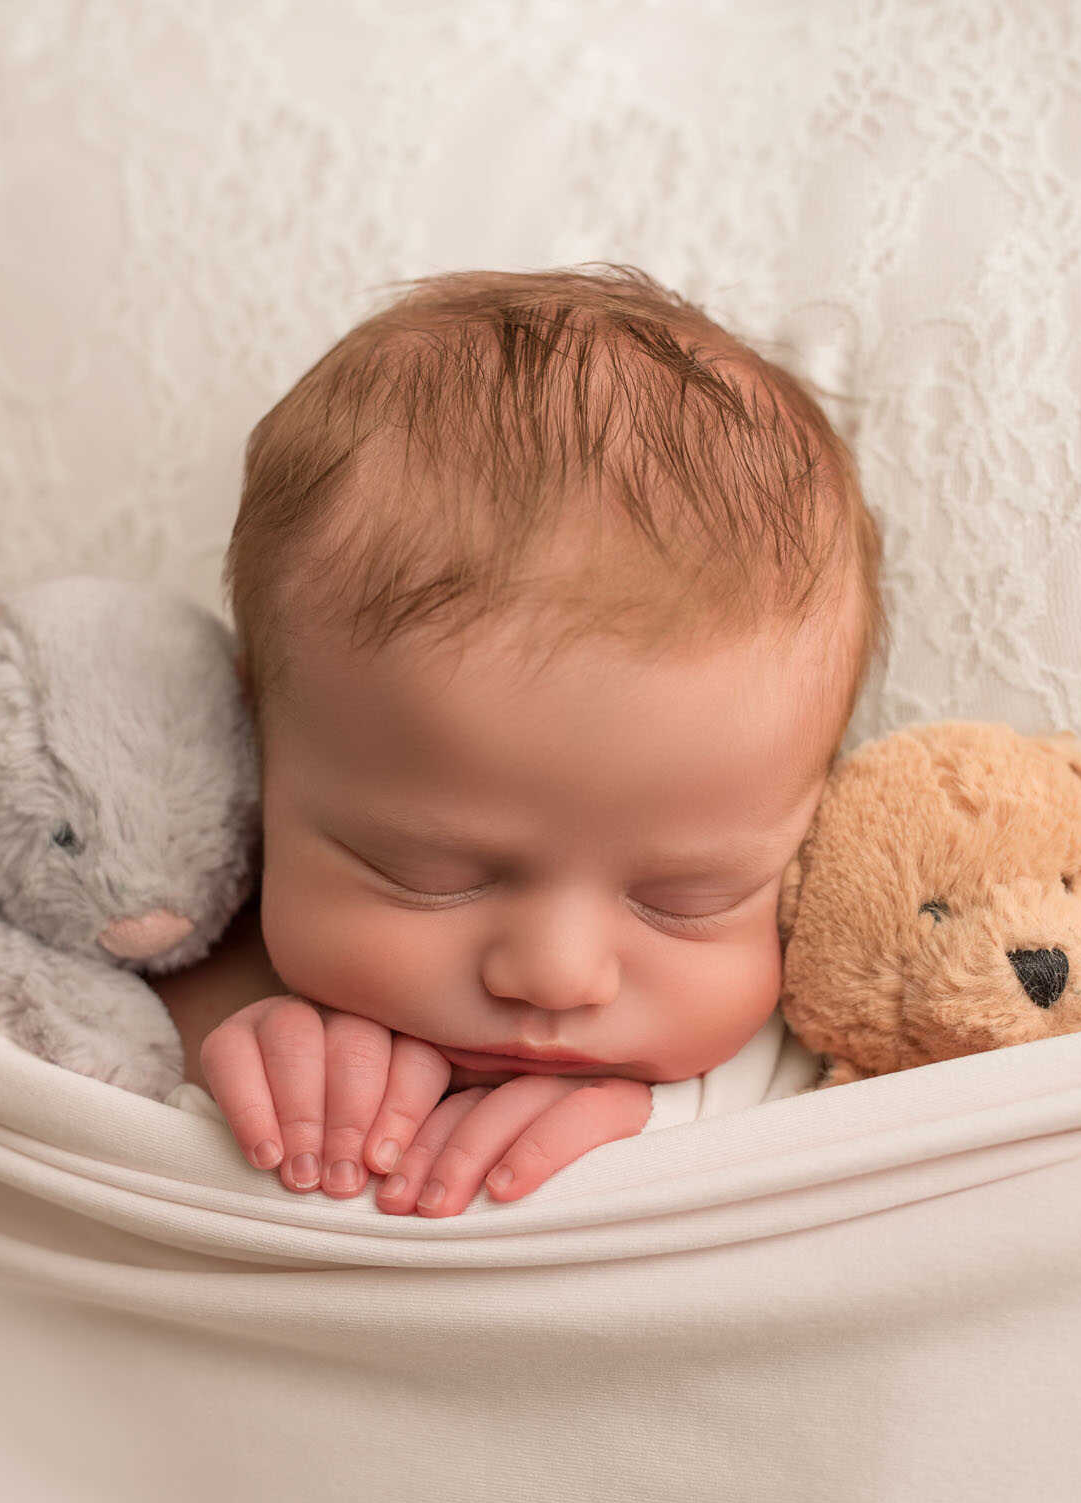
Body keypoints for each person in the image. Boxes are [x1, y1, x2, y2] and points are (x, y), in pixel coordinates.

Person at [151, 265, 883, 1217]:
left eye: (686, 896)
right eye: (430, 871)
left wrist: (660, 1132)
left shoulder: (791, 1067)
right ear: (259, 748)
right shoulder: (188, 941)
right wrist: (233, 1045)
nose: (559, 974)